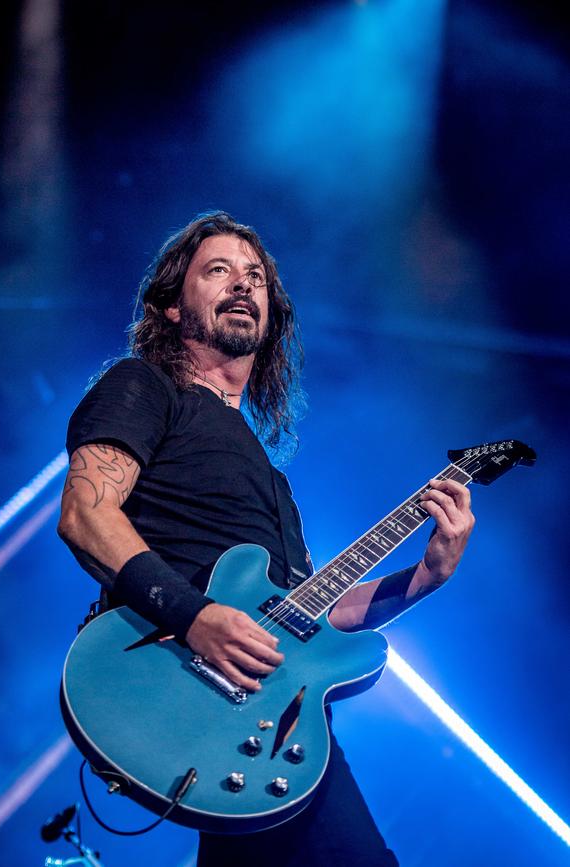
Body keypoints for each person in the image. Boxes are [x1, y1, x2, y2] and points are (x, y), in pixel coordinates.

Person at [57, 211, 475, 866]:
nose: (244, 284)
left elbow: (311, 617)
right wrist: (196, 618)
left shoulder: (273, 482)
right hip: (190, 681)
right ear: (170, 305)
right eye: (218, 270)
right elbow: (85, 513)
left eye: (255, 276)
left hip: (266, 730)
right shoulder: (145, 386)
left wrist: (424, 577)